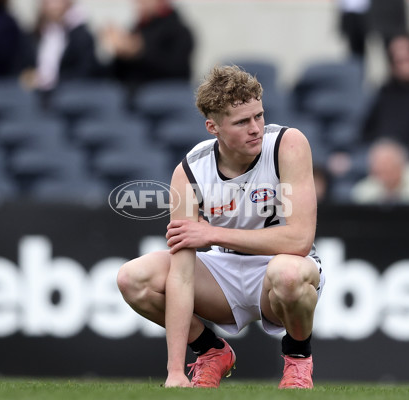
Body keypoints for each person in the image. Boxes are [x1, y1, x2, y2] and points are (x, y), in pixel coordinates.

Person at [117, 65, 325, 389]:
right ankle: (210, 352)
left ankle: (298, 358)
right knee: (133, 279)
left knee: (288, 275)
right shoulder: (190, 172)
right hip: (222, 275)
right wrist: (174, 373)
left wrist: (213, 233)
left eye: (259, 116)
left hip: (280, 266)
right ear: (212, 127)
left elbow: (299, 240)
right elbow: (182, 276)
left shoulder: (288, 144)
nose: (256, 128)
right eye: (242, 122)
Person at [100, 0, 194, 100]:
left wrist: (140, 52)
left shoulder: (179, 31)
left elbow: (177, 71)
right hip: (134, 98)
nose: (138, 4)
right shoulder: (137, 30)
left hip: (165, 97)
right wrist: (120, 53)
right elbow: (118, 74)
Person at [19, 0, 99, 93]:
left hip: (69, 96)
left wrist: (50, 80)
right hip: (36, 97)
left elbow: (85, 73)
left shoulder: (81, 36)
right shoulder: (33, 36)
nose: (53, 5)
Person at [351, 138, 409, 204]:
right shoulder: (372, 181)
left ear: (400, 166)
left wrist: (395, 197)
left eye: (386, 167)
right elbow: (359, 196)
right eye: (377, 170)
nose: (382, 175)